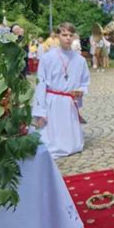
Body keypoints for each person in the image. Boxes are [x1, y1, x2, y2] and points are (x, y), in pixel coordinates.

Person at [32, 22, 90, 158]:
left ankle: (70, 144)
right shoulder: (47, 58)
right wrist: (40, 111)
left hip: (68, 101)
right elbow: (41, 84)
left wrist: (81, 90)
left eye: (71, 35)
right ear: (58, 36)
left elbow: (85, 81)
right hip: (52, 100)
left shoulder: (80, 60)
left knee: (72, 144)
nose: (68, 38)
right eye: (64, 35)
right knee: (52, 137)